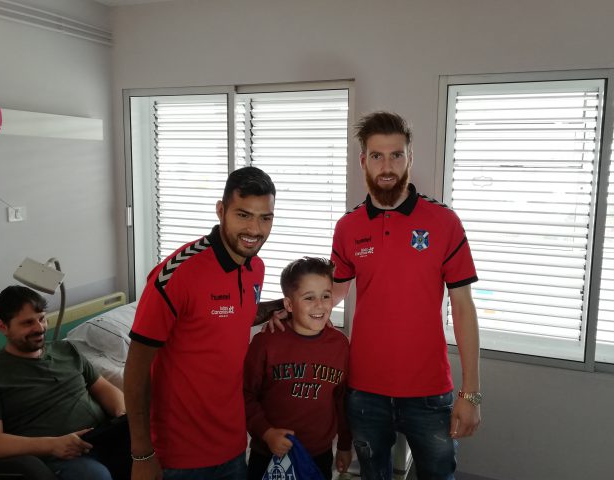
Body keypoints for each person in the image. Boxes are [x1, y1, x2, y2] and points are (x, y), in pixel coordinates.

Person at [330, 111, 481, 480]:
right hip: (365, 392)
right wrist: (287, 312)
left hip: (429, 392)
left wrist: (471, 394)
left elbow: (462, 307)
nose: (387, 166)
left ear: (410, 158)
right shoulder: (348, 227)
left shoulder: (444, 222)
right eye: (377, 156)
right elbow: (331, 293)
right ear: (363, 160)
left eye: (396, 155)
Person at [124, 166, 276, 480]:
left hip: (233, 446)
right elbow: (136, 369)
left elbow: (238, 314)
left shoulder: (255, 268)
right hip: (179, 456)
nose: (255, 229)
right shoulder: (176, 275)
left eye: (265, 218)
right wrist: (141, 453)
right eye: (243, 215)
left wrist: (284, 307)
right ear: (221, 210)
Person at [0, 285, 130, 480]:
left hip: (102, 438)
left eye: (41, 318)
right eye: (27, 323)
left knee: (157, 452)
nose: (39, 328)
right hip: (59, 456)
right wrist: (53, 445)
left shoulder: (66, 349)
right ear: (3, 327)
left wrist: (122, 415)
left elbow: (103, 388)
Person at [244, 257, 352, 480]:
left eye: (326, 296)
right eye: (309, 298)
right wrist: (266, 433)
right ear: (289, 305)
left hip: (318, 455)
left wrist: (344, 444)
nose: (320, 305)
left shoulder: (340, 345)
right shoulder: (266, 342)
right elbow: (245, 395)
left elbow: (342, 399)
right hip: (268, 453)